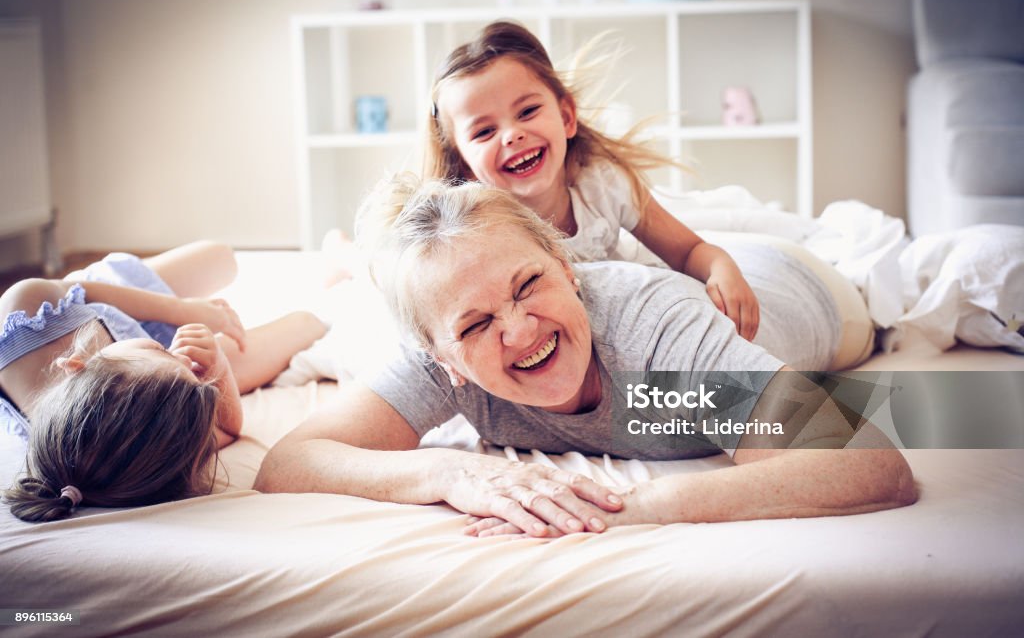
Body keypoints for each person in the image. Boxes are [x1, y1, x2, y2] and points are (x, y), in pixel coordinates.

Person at [255, 176, 916, 539]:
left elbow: (872, 463)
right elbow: (289, 461)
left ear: (569, 269)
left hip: (816, 293)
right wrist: (447, 473)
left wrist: (633, 507)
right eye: (479, 323)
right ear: (441, 356)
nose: (517, 330)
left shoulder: (653, 332)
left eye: (529, 285)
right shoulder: (436, 352)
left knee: (775, 229)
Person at [426, 21, 761, 341]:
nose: (513, 135)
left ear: (567, 117)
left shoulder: (602, 185)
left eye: (527, 112)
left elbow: (689, 251)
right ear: (465, 166)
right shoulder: (480, 237)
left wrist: (721, 267)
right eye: (485, 132)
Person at [1, 242, 327, 522]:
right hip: (149, 373)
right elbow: (228, 430)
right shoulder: (141, 439)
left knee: (219, 257)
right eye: (193, 381)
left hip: (108, 305)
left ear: (77, 365)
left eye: (161, 349)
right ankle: (336, 268)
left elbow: (78, 291)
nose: (185, 358)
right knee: (305, 324)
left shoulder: (25, 307)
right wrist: (217, 366)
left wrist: (181, 310)